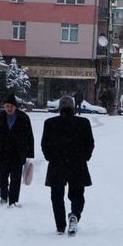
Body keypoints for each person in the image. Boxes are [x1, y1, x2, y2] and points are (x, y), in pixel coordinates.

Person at [41, 95, 95, 235]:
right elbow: (90, 143)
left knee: (57, 196)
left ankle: (60, 225)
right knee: (77, 194)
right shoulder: (83, 123)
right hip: (78, 164)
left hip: (57, 164)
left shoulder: (50, 123)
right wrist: (85, 157)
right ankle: (75, 214)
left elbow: (44, 144)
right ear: (73, 108)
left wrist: (50, 157)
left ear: (59, 108)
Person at [0, 94, 35, 207]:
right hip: (2, 153)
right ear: (4, 106)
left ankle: (13, 200)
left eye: (11, 106)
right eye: (7, 106)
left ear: (15, 107)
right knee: (2, 178)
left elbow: (29, 136)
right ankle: (3, 197)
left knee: (15, 179)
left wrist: (29, 153)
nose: (9, 109)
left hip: (18, 154)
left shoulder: (24, 118)